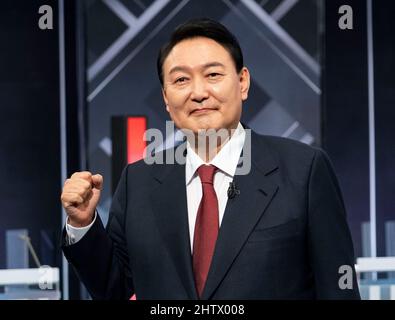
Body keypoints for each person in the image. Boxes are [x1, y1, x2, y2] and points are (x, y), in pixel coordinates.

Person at [61, 18, 360, 300]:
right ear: (166, 98)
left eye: (213, 75)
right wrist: (83, 223)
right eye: (180, 80)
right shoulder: (138, 182)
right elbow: (116, 290)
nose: (199, 92)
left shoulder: (304, 171)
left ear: (242, 83)